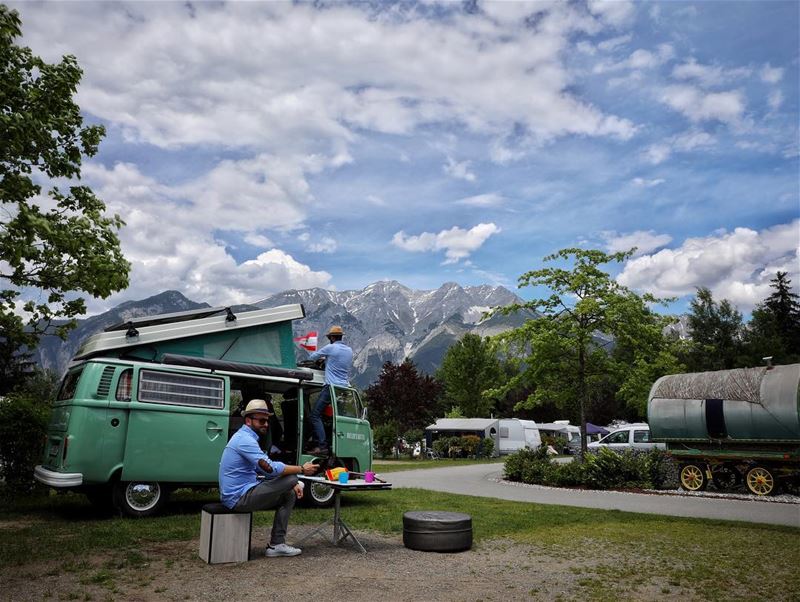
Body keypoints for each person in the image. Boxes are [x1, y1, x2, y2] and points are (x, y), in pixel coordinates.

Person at [219, 399, 318, 557]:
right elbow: (271, 469)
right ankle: (296, 482)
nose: (266, 424)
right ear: (248, 421)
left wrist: (289, 484)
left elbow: (263, 470)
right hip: (238, 498)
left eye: (267, 420)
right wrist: (301, 470)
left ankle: (276, 545)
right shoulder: (245, 440)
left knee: (289, 493)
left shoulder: (246, 438)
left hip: (243, 492)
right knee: (292, 477)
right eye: (262, 420)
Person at [306, 325, 353, 455]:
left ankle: (322, 446)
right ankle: (335, 444)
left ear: (332, 337)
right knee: (336, 417)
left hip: (331, 387)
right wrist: (327, 360)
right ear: (341, 337)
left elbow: (311, 358)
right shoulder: (349, 351)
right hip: (343, 389)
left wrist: (323, 358)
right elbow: (338, 362)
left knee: (315, 415)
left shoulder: (330, 348)